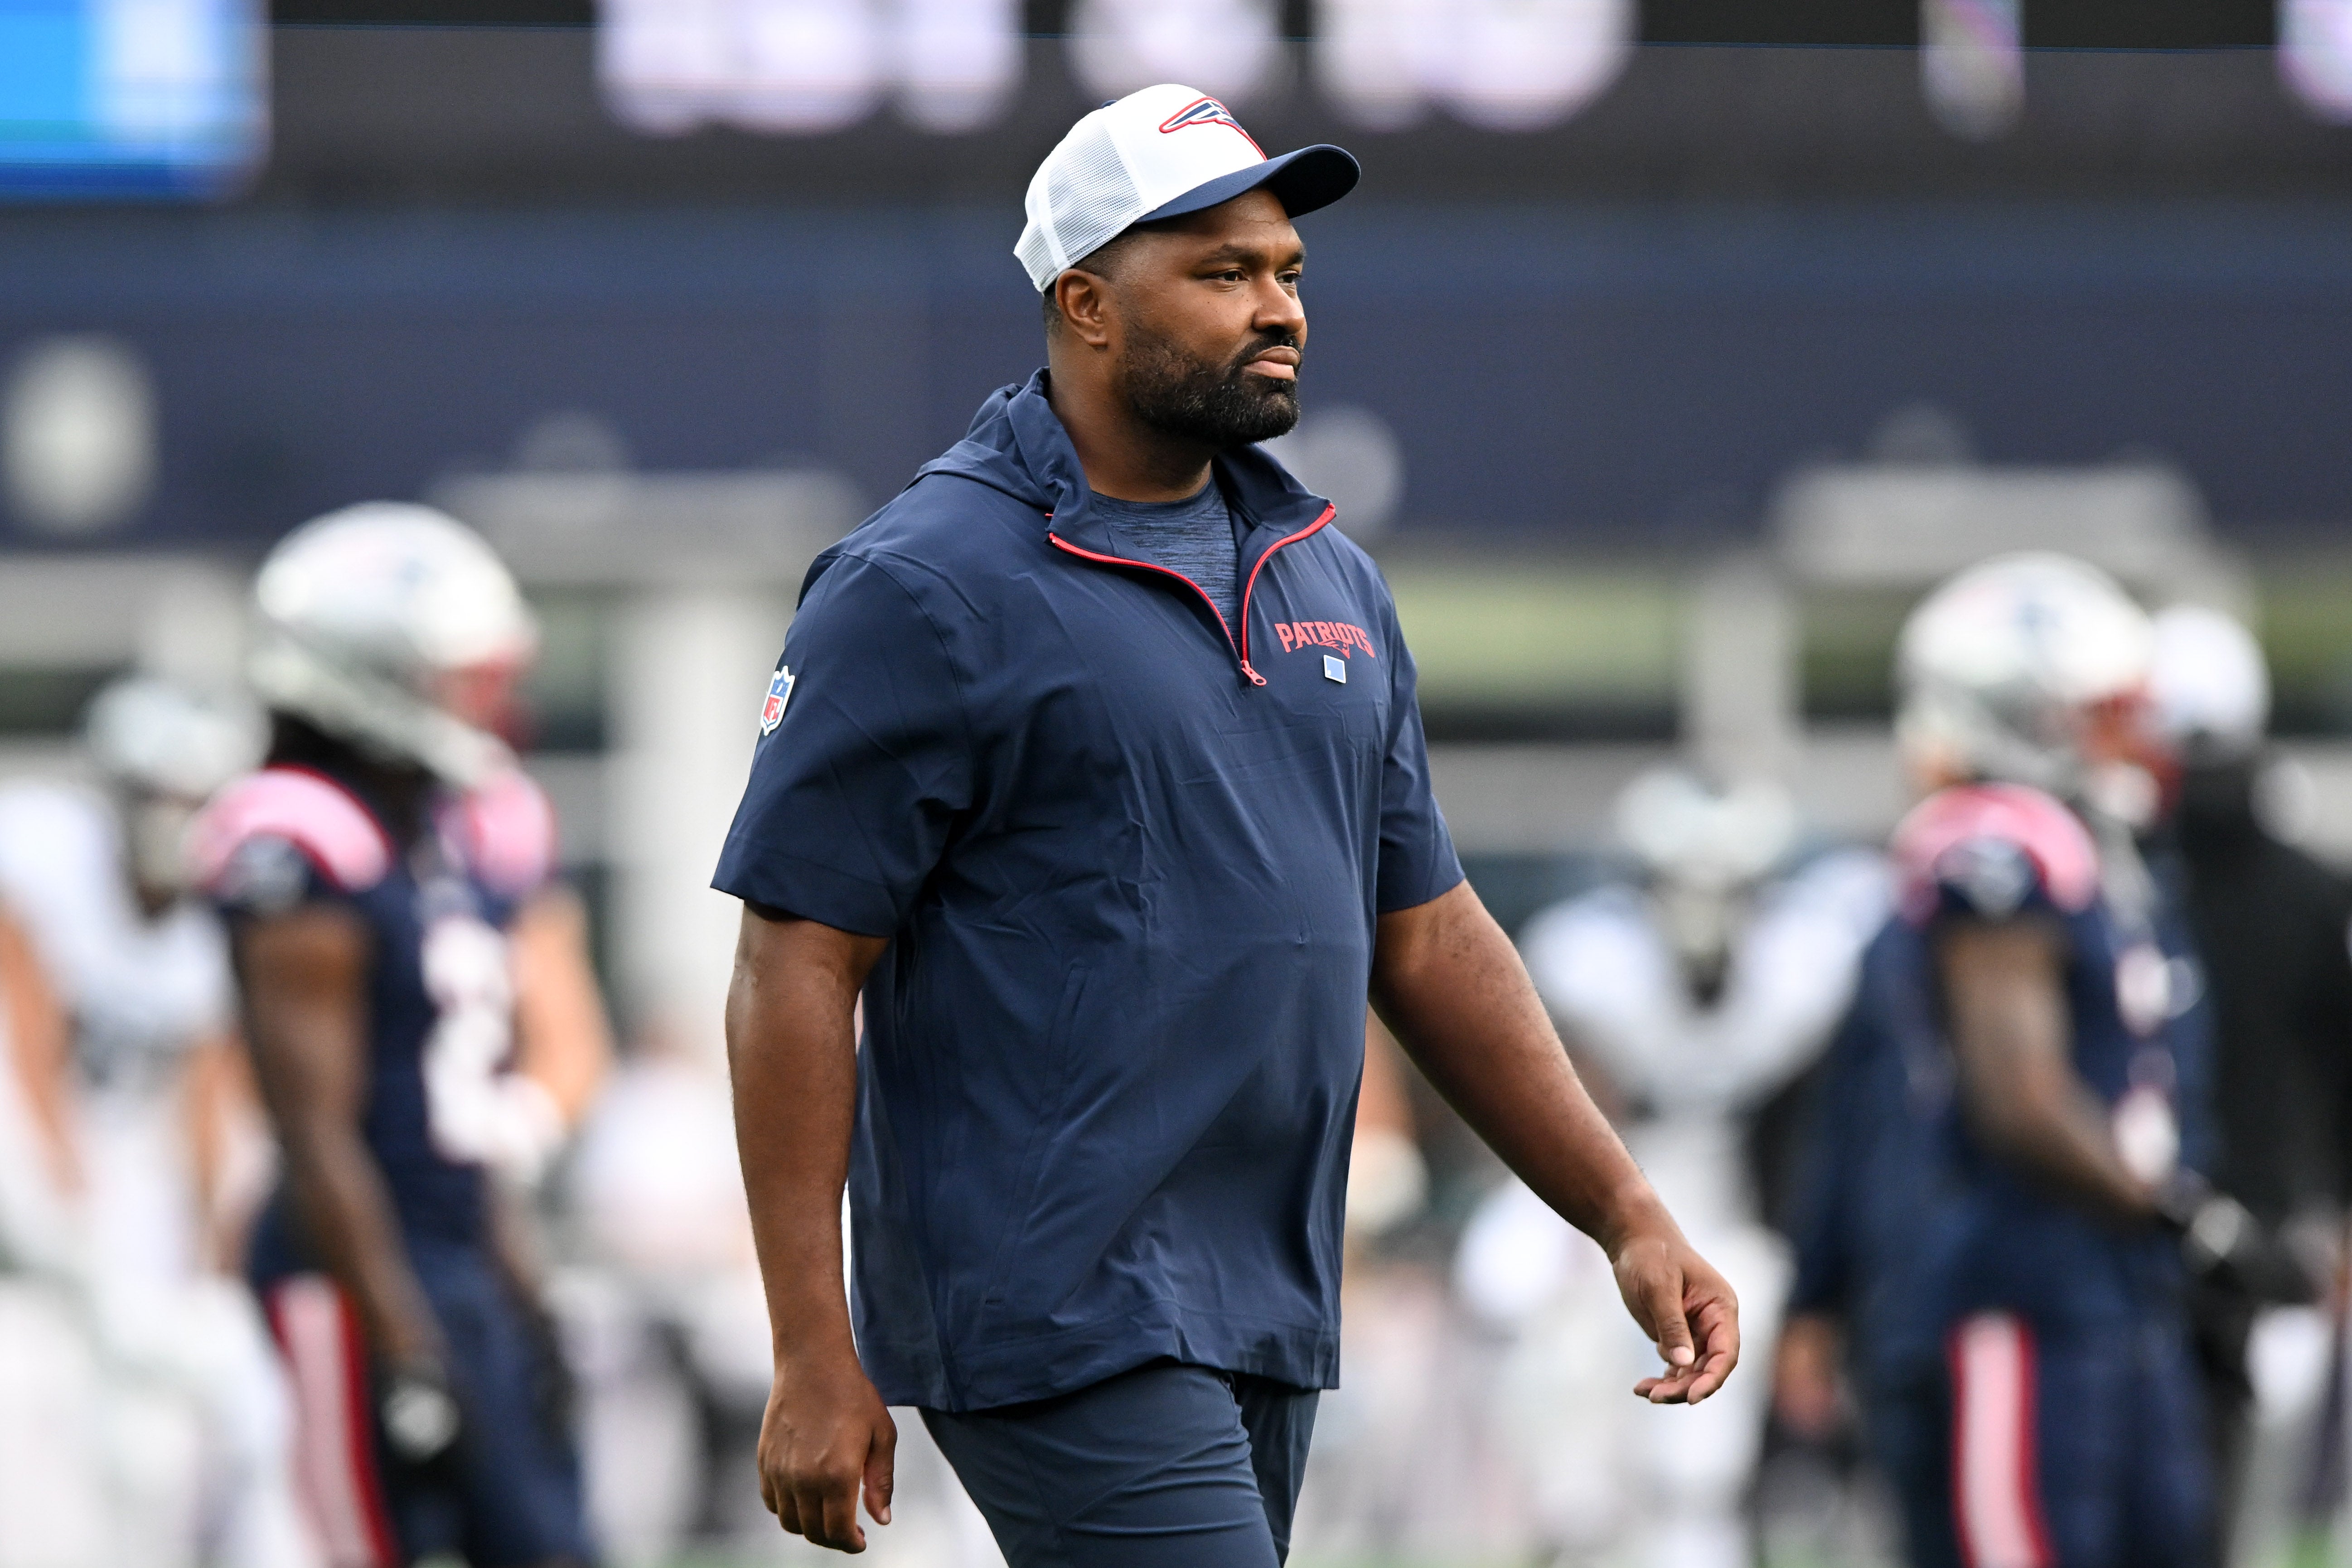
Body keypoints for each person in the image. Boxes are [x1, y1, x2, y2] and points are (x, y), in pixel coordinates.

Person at [713, 82, 1740, 1567]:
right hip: (1059, 1304)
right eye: (1222, 274)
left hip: (1266, 1292)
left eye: (1289, 273)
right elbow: (796, 964)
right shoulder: (924, 585)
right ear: (1087, 305)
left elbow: (1430, 933)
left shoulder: (1327, 572)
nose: (1281, 310)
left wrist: (1623, 1211)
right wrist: (812, 1346)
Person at [1783, 553, 2293, 1568]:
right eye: (2108, 714)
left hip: (2109, 1293)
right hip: (2015, 1300)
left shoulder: (2102, 855)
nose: (2138, 741)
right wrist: (2191, 1223)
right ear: (2030, 714)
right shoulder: (1996, 846)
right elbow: (2018, 1095)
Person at [190, 503, 613, 1568]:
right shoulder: (298, 834)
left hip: (461, 1251)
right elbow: (316, 1130)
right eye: (465, 677)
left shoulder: (441, 830)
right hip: (350, 1273)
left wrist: (524, 1289)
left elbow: (461, 1119)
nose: (494, 705)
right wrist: (407, 1341)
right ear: (369, 671)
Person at [1457, 769, 1887, 1568]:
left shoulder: (1811, 960)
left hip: (1738, 1217)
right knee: (1521, 1304)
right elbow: (1554, 1103)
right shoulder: (1587, 958)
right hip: (1606, 1209)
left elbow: (1826, 1129)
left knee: (1701, 1464)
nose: (1704, 917)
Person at [0, 676, 319, 1568]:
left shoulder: (233, 907)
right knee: (65, 1424)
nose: (177, 822)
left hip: (125, 1170)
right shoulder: (42, 857)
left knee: (236, 1402)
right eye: (161, 796)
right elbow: (25, 1058)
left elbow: (210, 1096)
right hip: (37, 1172)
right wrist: (71, 1228)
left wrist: (211, 1250)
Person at [2145, 604, 2352, 1543]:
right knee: (2237, 1508)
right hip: (2257, 1220)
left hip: (2150, 1221)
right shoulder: (2308, 891)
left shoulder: (2125, 879)